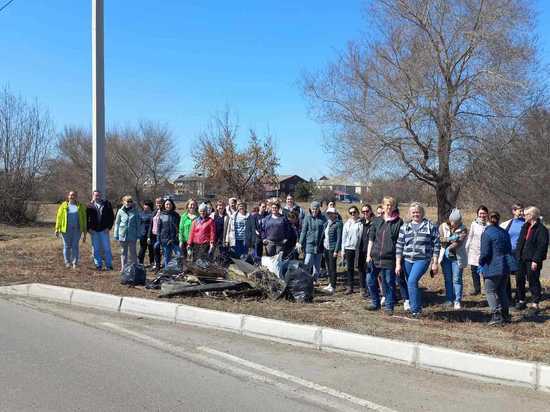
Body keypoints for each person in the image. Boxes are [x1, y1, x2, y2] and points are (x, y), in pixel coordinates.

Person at [395, 202, 440, 317]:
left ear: (422, 213)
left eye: (418, 212)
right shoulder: (405, 227)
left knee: (411, 281)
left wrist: (435, 263)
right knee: (411, 283)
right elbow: (399, 245)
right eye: (413, 212)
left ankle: (415, 310)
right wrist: (398, 263)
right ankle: (417, 305)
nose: (416, 214)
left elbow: (436, 245)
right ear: (410, 214)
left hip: (422, 259)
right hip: (407, 259)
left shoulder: (430, 226)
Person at [366, 197, 403, 314]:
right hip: (375, 257)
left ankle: (389, 305)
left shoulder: (398, 222)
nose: (389, 207)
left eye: (391, 205)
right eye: (387, 205)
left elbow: (399, 242)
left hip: (389, 258)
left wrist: (398, 262)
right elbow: (371, 239)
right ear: (382, 206)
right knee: (370, 280)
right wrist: (368, 255)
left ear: (394, 207)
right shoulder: (377, 220)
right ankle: (375, 302)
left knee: (388, 282)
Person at [479, 211, 515, 326]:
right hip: (505, 266)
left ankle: (496, 316)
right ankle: (506, 315)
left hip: (492, 266)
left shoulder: (487, 233)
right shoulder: (504, 232)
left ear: (488, 219)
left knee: (489, 291)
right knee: (502, 291)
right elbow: (509, 248)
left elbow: (485, 252)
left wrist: (480, 263)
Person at [515, 206, 549, 313]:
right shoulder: (525, 226)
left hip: (533, 260)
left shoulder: (542, 229)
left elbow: (542, 247)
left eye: (526, 214)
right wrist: (517, 255)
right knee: (519, 279)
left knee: (533, 280)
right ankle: (521, 300)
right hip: (521, 258)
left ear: (532, 215)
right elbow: (520, 242)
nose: (523, 216)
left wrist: (536, 260)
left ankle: (535, 303)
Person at [439, 209, 468, 309]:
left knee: (457, 279)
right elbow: (439, 239)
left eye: (457, 222)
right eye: (453, 222)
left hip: (457, 257)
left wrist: (450, 246)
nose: (454, 224)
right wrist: (450, 239)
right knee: (448, 279)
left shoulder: (463, 228)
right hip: (445, 258)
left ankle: (457, 300)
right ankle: (449, 299)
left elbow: (459, 242)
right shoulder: (442, 227)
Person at [55, 191, 87, 269]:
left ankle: (75, 263)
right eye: (71, 195)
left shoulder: (81, 206)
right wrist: (57, 229)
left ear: (76, 197)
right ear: (68, 196)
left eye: (74, 195)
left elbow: (84, 219)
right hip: (65, 230)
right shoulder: (63, 206)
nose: (72, 196)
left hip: (77, 230)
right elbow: (59, 218)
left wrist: (85, 232)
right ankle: (67, 262)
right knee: (67, 246)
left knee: (75, 246)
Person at [500, 203, 525, 302]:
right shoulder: (507, 223)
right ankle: (507, 296)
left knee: (520, 276)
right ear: (513, 211)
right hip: (508, 253)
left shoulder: (525, 223)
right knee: (506, 275)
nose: (522, 212)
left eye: (522, 210)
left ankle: (519, 296)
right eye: (519, 210)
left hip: (520, 254)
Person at [298, 201, 327, 281]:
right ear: (310, 209)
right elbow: (303, 231)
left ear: (319, 209)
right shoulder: (307, 218)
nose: (314, 210)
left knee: (317, 265)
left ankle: (314, 280)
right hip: (310, 243)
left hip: (319, 244)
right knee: (307, 262)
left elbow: (326, 230)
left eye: (316, 209)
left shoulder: (323, 218)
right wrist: (300, 242)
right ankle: (305, 279)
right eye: (313, 209)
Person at [86, 190, 115, 271]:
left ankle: (109, 265)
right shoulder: (89, 206)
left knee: (107, 248)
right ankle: (98, 265)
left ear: (101, 196)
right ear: (93, 196)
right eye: (96, 195)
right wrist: (88, 229)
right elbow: (86, 218)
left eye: (99, 195)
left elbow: (111, 217)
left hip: (104, 230)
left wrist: (108, 228)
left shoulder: (107, 204)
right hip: (94, 230)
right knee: (96, 248)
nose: (97, 197)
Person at [466, 205, 489, 295]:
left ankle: (487, 289)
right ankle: (477, 289)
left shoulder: (489, 225)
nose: (482, 215)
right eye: (480, 213)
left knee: (485, 271)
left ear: (487, 214)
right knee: (474, 271)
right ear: (477, 214)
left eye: (484, 213)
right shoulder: (474, 224)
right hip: (474, 251)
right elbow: (470, 236)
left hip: (485, 252)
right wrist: (466, 248)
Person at [340, 205, 364, 295]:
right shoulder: (347, 224)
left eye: (354, 212)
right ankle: (350, 287)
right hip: (348, 248)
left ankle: (362, 288)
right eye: (351, 213)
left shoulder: (361, 223)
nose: (353, 214)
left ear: (358, 212)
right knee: (350, 268)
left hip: (358, 249)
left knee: (360, 268)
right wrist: (342, 250)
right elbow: (343, 238)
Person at [113, 195, 140, 272]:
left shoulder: (135, 211)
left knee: (133, 252)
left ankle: (135, 267)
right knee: (123, 252)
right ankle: (123, 268)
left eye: (130, 201)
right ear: (123, 202)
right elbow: (117, 223)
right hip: (122, 235)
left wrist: (138, 234)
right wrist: (116, 234)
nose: (128, 203)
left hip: (132, 235)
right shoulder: (120, 211)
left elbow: (138, 223)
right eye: (127, 201)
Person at [321, 207, 343, 293]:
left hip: (332, 249)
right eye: (328, 213)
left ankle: (333, 286)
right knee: (328, 267)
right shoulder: (327, 223)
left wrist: (336, 250)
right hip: (326, 248)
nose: (329, 215)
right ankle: (330, 283)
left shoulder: (338, 224)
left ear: (335, 214)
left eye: (331, 213)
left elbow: (339, 238)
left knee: (333, 267)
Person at [356, 204, 375, 299]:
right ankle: (362, 288)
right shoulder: (361, 223)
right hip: (360, 250)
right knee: (361, 270)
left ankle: (370, 290)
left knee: (369, 271)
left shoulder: (374, 223)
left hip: (370, 251)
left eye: (367, 211)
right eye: (363, 212)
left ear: (371, 211)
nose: (365, 213)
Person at [157, 199, 181, 267]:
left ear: (172, 205)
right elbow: (159, 229)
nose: (168, 206)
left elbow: (179, 228)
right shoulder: (161, 215)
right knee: (167, 257)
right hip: (165, 240)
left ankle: (178, 269)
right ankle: (167, 271)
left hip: (175, 240)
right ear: (164, 205)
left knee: (179, 255)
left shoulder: (176, 215)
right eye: (167, 204)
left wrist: (177, 237)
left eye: (170, 204)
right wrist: (159, 240)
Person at [147, 197, 164, 270]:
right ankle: (157, 266)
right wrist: (148, 236)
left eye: (160, 202)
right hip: (154, 234)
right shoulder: (154, 212)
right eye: (157, 203)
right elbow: (151, 224)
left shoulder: (165, 212)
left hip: (162, 234)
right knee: (155, 250)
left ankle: (163, 265)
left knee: (162, 250)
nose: (159, 204)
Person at [138, 201, 155, 267]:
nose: (145, 206)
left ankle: (152, 263)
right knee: (142, 249)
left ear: (150, 206)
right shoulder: (141, 214)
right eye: (144, 205)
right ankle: (140, 263)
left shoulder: (153, 214)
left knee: (151, 249)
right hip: (143, 234)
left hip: (151, 234)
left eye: (146, 205)